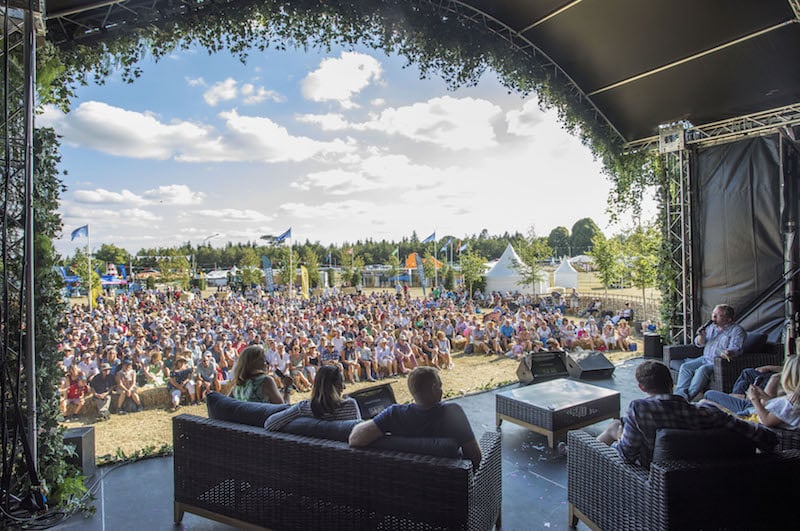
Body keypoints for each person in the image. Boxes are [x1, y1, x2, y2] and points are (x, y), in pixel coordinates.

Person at [597, 360, 775, 468]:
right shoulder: (706, 413)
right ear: (671, 383)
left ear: (642, 388)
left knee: (614, 427)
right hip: (696, 473)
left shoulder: (639, 409)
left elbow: (626, 455)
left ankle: (586, 464)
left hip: (649, 473)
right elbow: (765, 436)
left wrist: (620, 435)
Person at [348, 366, 482, 469]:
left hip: (405, 487)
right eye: (440, 386)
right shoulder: (452, 413)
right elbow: (475, 456)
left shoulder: (394, 415)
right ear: (434, 388)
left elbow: (355, 439)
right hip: (449, 488)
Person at [703, 355, 800, 429]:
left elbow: (767, 421)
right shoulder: (793, 398)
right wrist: (763, 396)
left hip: (750, 418)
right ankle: (738, 397)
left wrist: (754, 399)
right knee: (708, 399)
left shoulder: (791, 402)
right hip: (753, 411)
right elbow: (779, 410)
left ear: (788, 376)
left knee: (706, 401)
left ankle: (738, 397)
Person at [675, 304, 745, 400]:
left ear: (728, 319)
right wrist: (701, 336)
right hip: (705, 358)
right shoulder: (711, 327)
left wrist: (729, 352)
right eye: (713, 314)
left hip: (718, 362)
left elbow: (736, 348)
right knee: (685, 367)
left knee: (702, 370)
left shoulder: (737, 331)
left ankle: (688, 397)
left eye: (718, 315)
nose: (713, 317)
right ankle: (679, 396)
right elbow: (699, 344)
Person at [264, 365, 362, 431]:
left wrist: (287, 389)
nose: (344, 387)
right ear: (336, 385)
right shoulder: (350, 406)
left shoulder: (303, 408)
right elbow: (358, 435)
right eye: (342, 383)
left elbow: (269, 424)